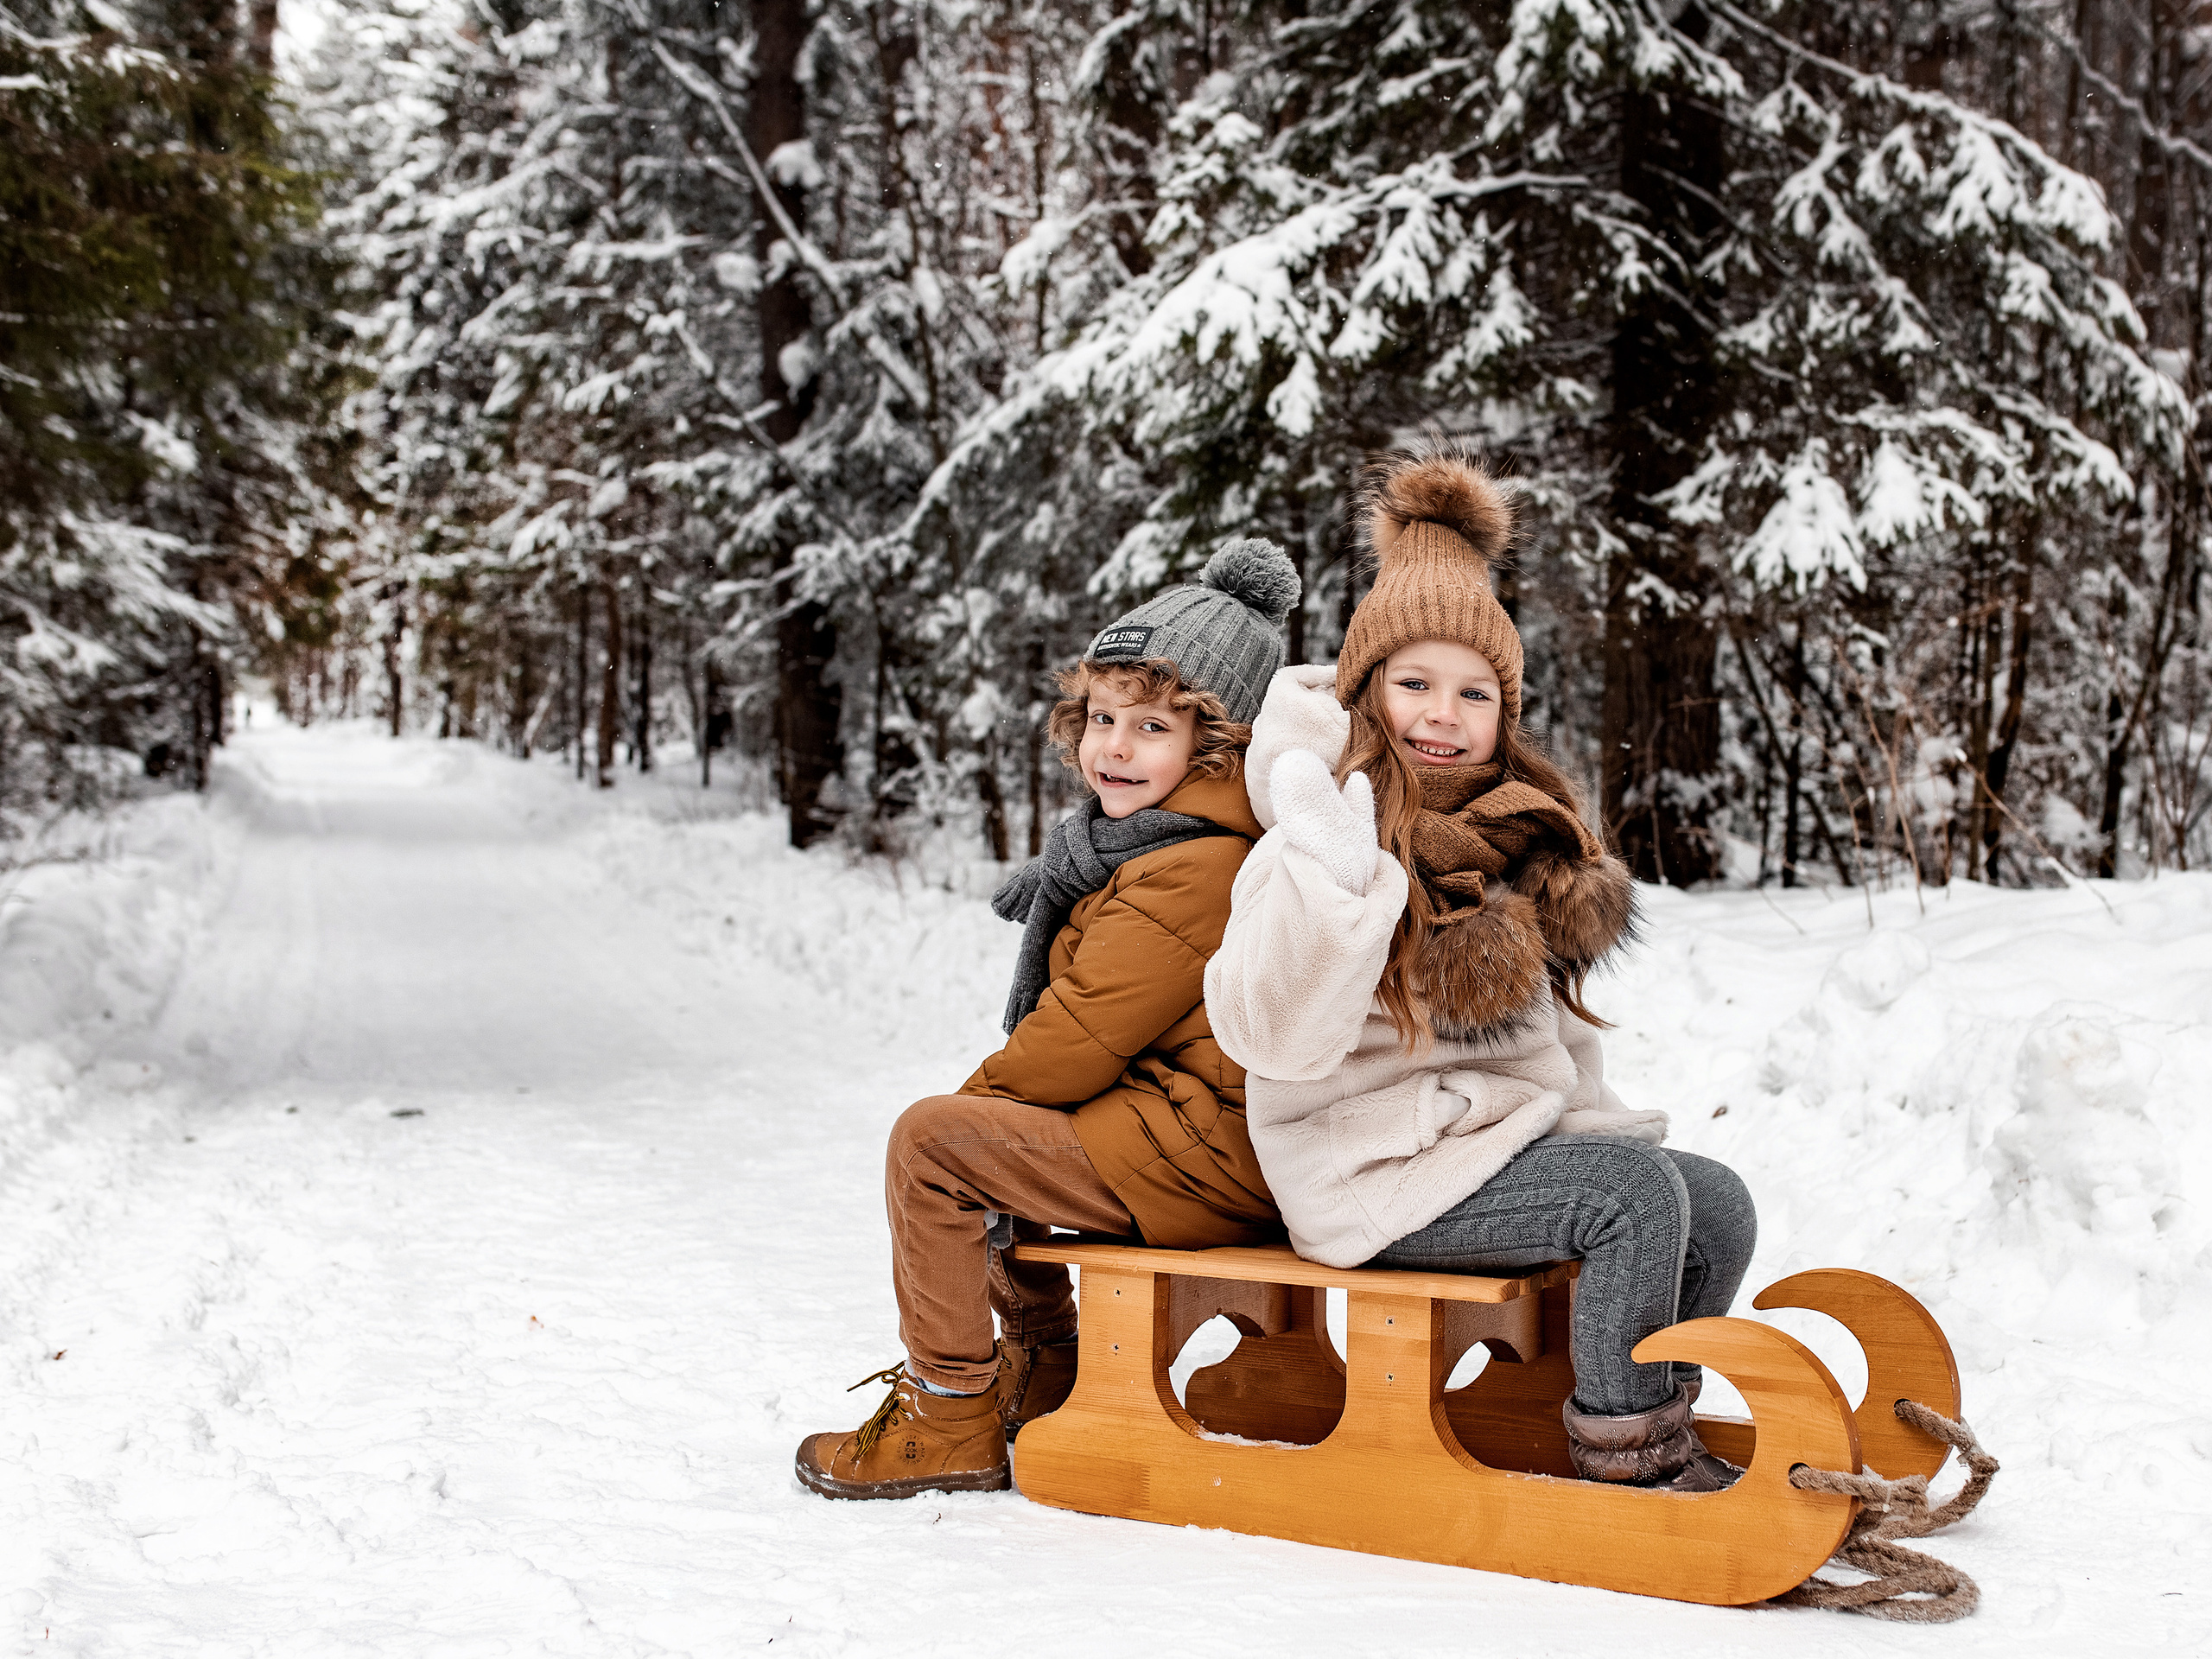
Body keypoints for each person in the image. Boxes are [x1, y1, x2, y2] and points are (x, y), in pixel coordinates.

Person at [1204, 442, 1758, 1491]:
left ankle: (1639, 1410)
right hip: (1361, 1168)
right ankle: (1626, 1454)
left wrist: (1594, 1127)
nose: (1442, 714)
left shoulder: (1519, 841)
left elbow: (1559, 1048)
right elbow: (1270, 1037)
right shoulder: (1316, 838)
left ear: (1505, 718)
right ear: (1366, 696)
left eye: (1473, 693)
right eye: (1413, 683)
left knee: (1712, 1198)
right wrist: (1335, 887)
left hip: (1481, 1152)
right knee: (1630, 1196)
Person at [795, 539, 1301, 1501]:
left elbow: (1073, 1045)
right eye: (1100, 717)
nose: (1111, 745)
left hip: (1204, 1153)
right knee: (984, 1136)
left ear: (1218, 745)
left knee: (936, 1144)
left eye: (1151, 726)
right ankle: (1042, 1368)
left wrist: (965, 1117)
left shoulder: (1192, 867)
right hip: (1179, 1131)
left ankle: (949, 1413)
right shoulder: (1142, 848)